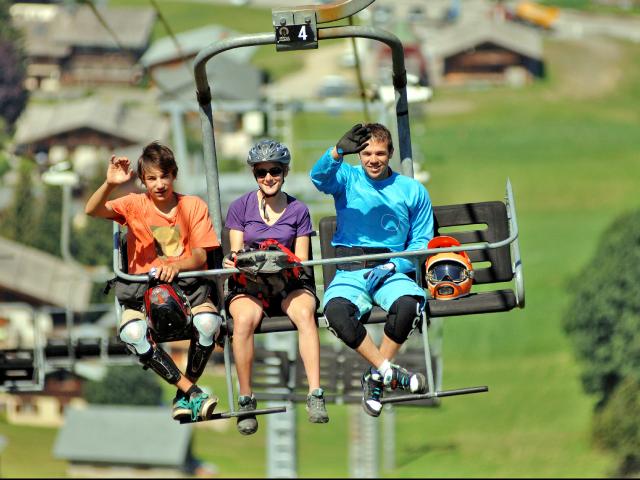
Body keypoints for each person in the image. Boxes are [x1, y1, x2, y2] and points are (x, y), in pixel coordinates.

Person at [85, 141, 223, 422]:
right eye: (152, 178)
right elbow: (92, 209)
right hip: (143, 290)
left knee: (208, 324)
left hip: (186, 287)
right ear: (143, 180)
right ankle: (192, 392)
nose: (159, 184)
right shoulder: (134, 205)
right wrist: (110, 184)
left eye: (164, 176)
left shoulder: (192, 206)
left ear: (174, 175)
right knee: (133, 333)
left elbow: (199, 256)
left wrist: (175, 266)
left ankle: (185, 395)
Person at [310, 123, 434, 417]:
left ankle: (376, 377)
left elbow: (421, 240)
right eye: (366, 153)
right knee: (337, 312)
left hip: (390, 269)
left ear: (390, 154)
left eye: (380, 153)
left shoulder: (411, 190)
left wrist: (395, 264)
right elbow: (318, 177)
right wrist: (337, 152)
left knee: (408, 304)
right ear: (359, 155)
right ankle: (387, 372)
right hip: (351, 271)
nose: (373, 160)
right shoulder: (347, 178)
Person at [223, 139, 329, 435]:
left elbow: (303, 259)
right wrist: (236, 261)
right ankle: (246, 398)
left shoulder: (298, 211)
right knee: (243, 320)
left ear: (285, 172)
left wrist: (280, 261)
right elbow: (235, 252)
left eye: (275, 171)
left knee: (305, 313)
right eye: (261, 172)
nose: (268, 178)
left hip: (288, 282)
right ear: (254, 175)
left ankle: (315, 393)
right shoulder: (240, 207)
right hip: (251, 285)